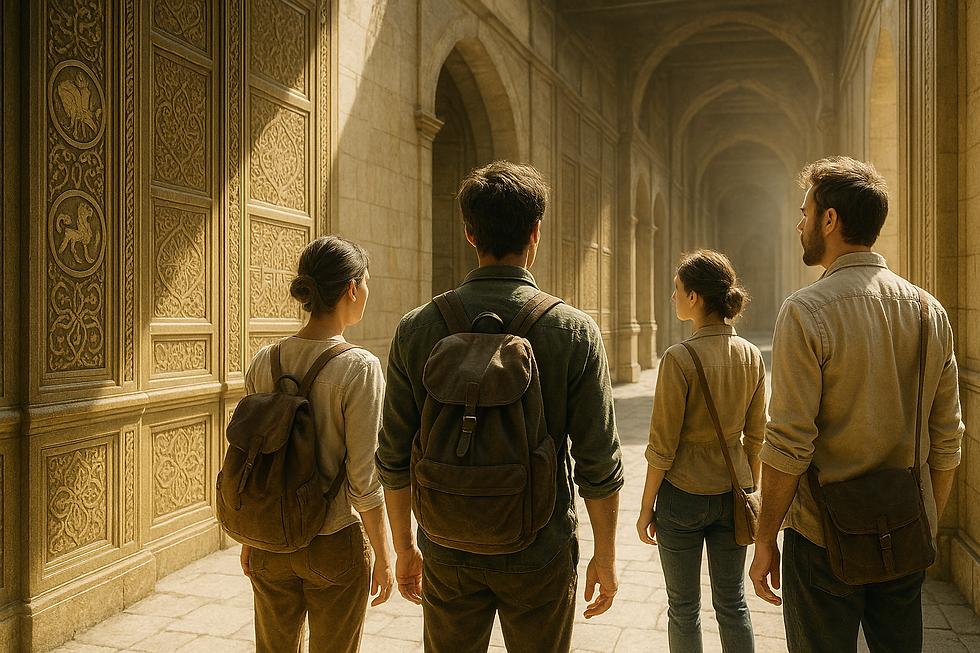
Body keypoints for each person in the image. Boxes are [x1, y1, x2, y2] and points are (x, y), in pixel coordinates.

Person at [376, 160, 624, 653]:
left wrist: (404, 547)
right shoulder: (574, 331)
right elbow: (598, 461)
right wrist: (606, 556)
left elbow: (393, 455)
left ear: (470, 233)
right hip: (540, 548)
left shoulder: (418, 327)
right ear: (536, 232)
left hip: (446, 545)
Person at [748, 156, 965, 652]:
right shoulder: (929, 311)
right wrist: (924, 522)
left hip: (823, 538)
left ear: (830, 219)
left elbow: (788, 444)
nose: (799, 224)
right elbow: (948, 438)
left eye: (805, 212)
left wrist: (764, 538)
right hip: (904, 528)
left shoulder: (805, 311)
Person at [239, 236, 394, 653]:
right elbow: (364, 478)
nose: (367, 291)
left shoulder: (264, 360)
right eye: (367, 282)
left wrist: (251, 538)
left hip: (271, 539)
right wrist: (385, 555)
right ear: (351, 288)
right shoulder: (360, 368)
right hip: (335, 541)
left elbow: (252, 461)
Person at [636, 249, 765, 653]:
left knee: (683, 609)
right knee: (733, 604)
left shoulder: (679, 358)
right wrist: (750, 490)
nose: (672, 297)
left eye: (677, 289)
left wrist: (646, 508)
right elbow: (756, 438)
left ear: (694, 297)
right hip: (733, 493)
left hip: (683, 497)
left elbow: (662, 447)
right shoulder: (751, 355)